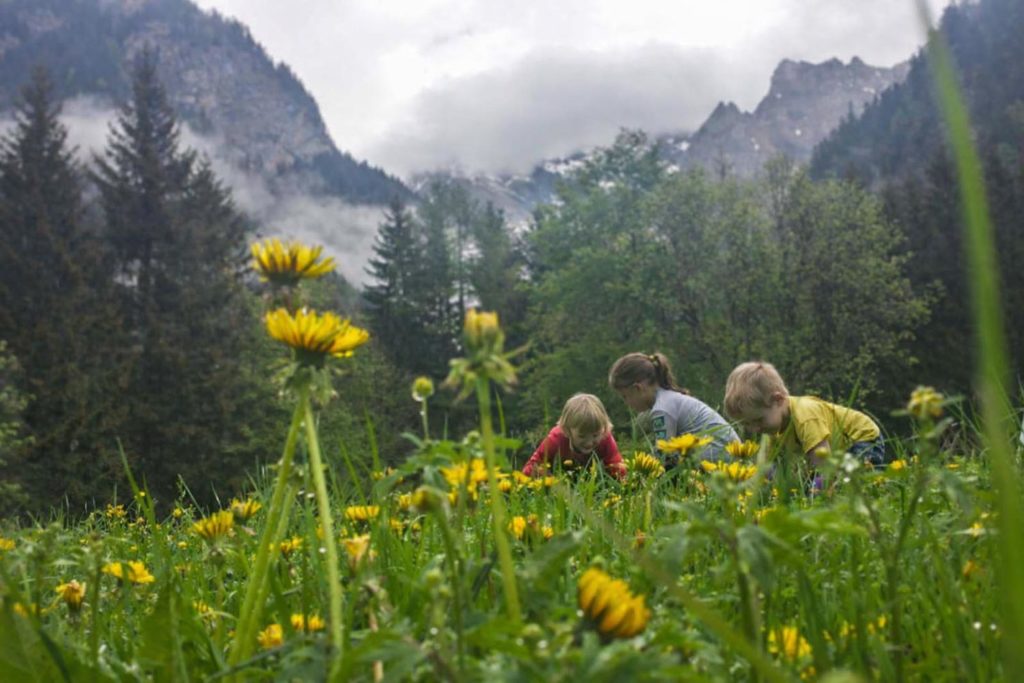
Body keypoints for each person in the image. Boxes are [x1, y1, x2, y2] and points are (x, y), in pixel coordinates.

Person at [723, 360, 885, 468]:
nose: (755, 429)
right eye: (747, 424)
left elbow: (822, 464)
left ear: (778, 400)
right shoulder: (773, 429)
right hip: (840, 449)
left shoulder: (806, 416)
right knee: (821, 485)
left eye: (758, 420)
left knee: (858, 482)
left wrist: (818, 496)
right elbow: (764, 470)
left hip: (862, 437)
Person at [608, 352, 738, 466]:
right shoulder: (669, 399)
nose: (626, 403)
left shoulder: (661, 410)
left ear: (638, 388)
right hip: (728, 453)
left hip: (720, 456)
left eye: (625, 396)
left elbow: (664, 455)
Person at [522, 393, 627, 479]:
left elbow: (619, 469)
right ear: (567, 430)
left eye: (595, 435)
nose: (589, 442)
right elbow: (530, 468)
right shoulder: (555, 440)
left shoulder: (605, 438)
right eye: (582, 436)